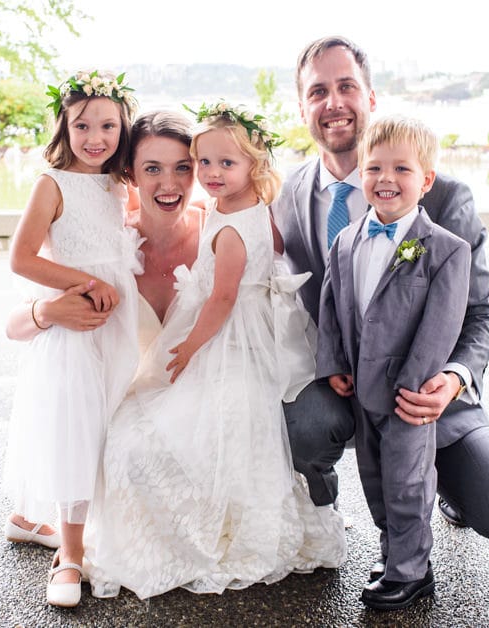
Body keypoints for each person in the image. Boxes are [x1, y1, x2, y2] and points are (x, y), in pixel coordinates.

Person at [271, 36, 489, 553]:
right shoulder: (288, 193)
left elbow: (481, 313)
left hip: (419, 392)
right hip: (341, 384)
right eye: (318, 91)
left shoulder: (443, 196)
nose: (334, 103)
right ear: (302, 106)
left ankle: (441, 484)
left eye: (347, 86)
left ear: (371, 98)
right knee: (303, 426)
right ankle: (321, 502)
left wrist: (454, 380)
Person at [88, 102, 345, 600]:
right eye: (202, 163)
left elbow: (225, 296)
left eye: (194, 166)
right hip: (229, 335)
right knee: (136, 431)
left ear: (253, 164)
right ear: (130, 175)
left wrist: (187, 348)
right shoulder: (238, 210)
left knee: (195, 428)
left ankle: (210, 534)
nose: (204, 175)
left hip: (225, 341)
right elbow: (264, 252)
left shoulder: (225, 222)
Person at [318, 115, 470, 610]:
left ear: (425, 181)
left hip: (409, 394)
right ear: (360, 173)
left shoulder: (445, 250)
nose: (386, 179)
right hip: (363, 387)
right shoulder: (347, 241)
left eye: (401, 169)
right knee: (375, 480)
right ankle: (393, 553)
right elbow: (333, 307)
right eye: (374, 167)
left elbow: (441, 328)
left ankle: (412, 570)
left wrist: (414, 385)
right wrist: (336, 362)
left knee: (409, 483)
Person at [1, 69, 140, 608]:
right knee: (77, 431)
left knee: (111, 426)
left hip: (118, 327)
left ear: (123, 128)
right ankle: (71, 557)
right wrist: (85, 283)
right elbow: (22, 257)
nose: (95, 137)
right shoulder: (51, 184)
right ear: (65, 125)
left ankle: (33, 520)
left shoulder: (118, 184)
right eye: (83, 125)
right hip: (76, 328)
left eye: (108, 126)